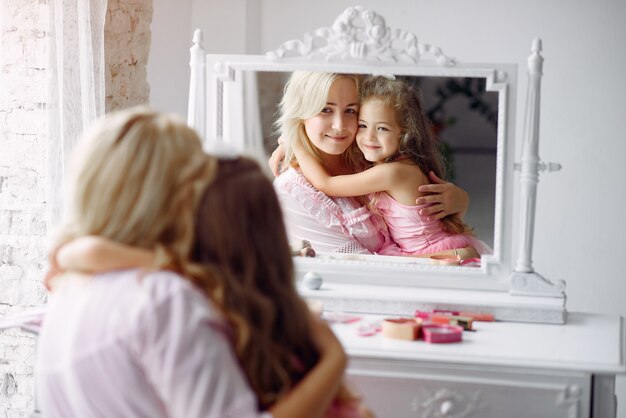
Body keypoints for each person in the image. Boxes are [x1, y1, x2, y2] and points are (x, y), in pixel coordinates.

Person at [37, 107, 350, 418]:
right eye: (195, 185)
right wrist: (334, 360)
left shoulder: (72, 286)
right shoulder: (164, 299)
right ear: (165, 196)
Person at [271, 71, 471, 255]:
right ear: (300, 114)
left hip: (429, 255)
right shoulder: (292, 189)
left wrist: (461, 200)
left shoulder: (369, 158)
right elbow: (357, 269)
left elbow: (430, 222)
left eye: (350, 110)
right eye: (325, 109)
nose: (339, 126)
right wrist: (293, 138)